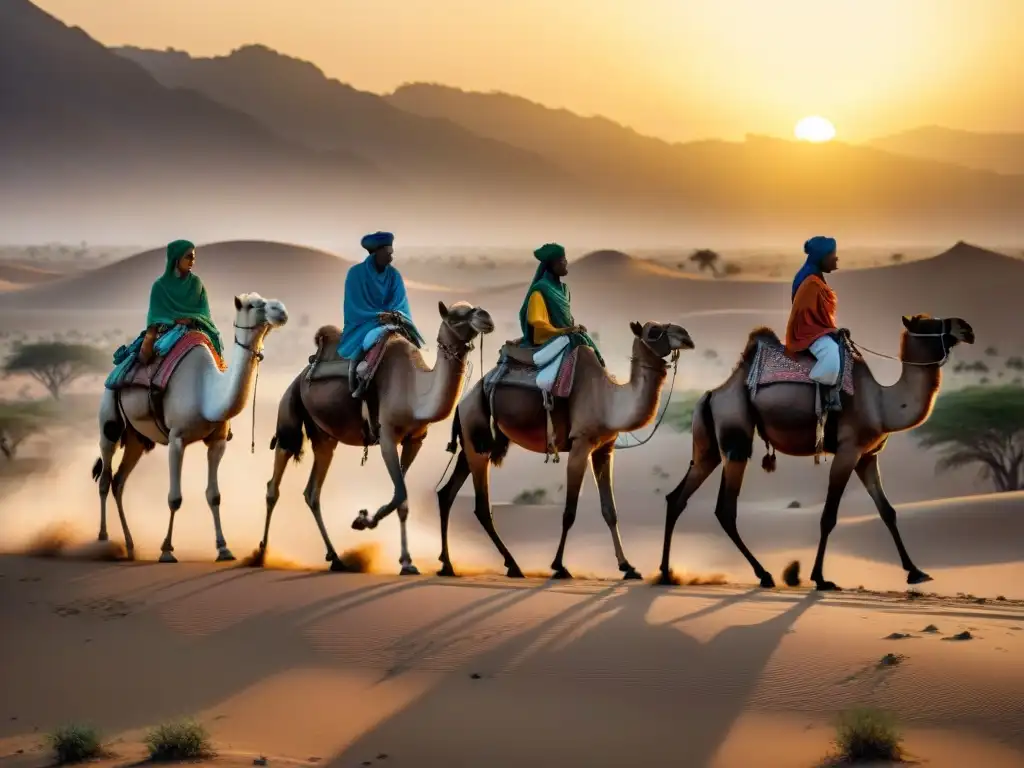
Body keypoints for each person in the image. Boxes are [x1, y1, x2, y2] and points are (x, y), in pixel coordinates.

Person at [338, 231, 424, 398]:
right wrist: (378, 316)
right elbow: (354, 305)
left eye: (391, 253)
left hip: (395, 320)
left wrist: (394, 314)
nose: (391, 258)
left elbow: (400, 301)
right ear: (375, 253)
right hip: (365, 322)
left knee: (412, 343)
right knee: (370, 341)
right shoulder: (355, 274)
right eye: (387, 253)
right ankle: (358, 382)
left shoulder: (394, 275)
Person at [517, 242, 604, 393]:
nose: (566, 263)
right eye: (562, 260)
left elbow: (565, 317)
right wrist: (563, 331)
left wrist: (573, 327)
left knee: (581, 339)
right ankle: (551, 394)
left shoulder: (564, 289)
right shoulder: (540, 290)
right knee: (574, 342)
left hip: (563, 335)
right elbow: (537, 321)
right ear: (552, 264)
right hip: (546, 338)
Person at [140, 239, 223, 365]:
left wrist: (191, 320)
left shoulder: (196, 283)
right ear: (176, 258)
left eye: (193, 258)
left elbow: (203, 312)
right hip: (165, 331)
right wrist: (171, 322)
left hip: (195, 328)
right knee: (143, 359)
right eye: (188, 257)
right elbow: (155, 316)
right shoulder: (160, 286)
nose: (192, 262)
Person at [785, 235, 840, 386]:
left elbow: (817, 315)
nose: (836, 259)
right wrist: (828, 331)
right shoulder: (811, 283)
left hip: (817, 330)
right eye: (832, 255)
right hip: (806, 333)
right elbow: (805, 318)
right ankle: (816, 393)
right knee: (831, 357)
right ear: (821, 257)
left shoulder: (815, 278)